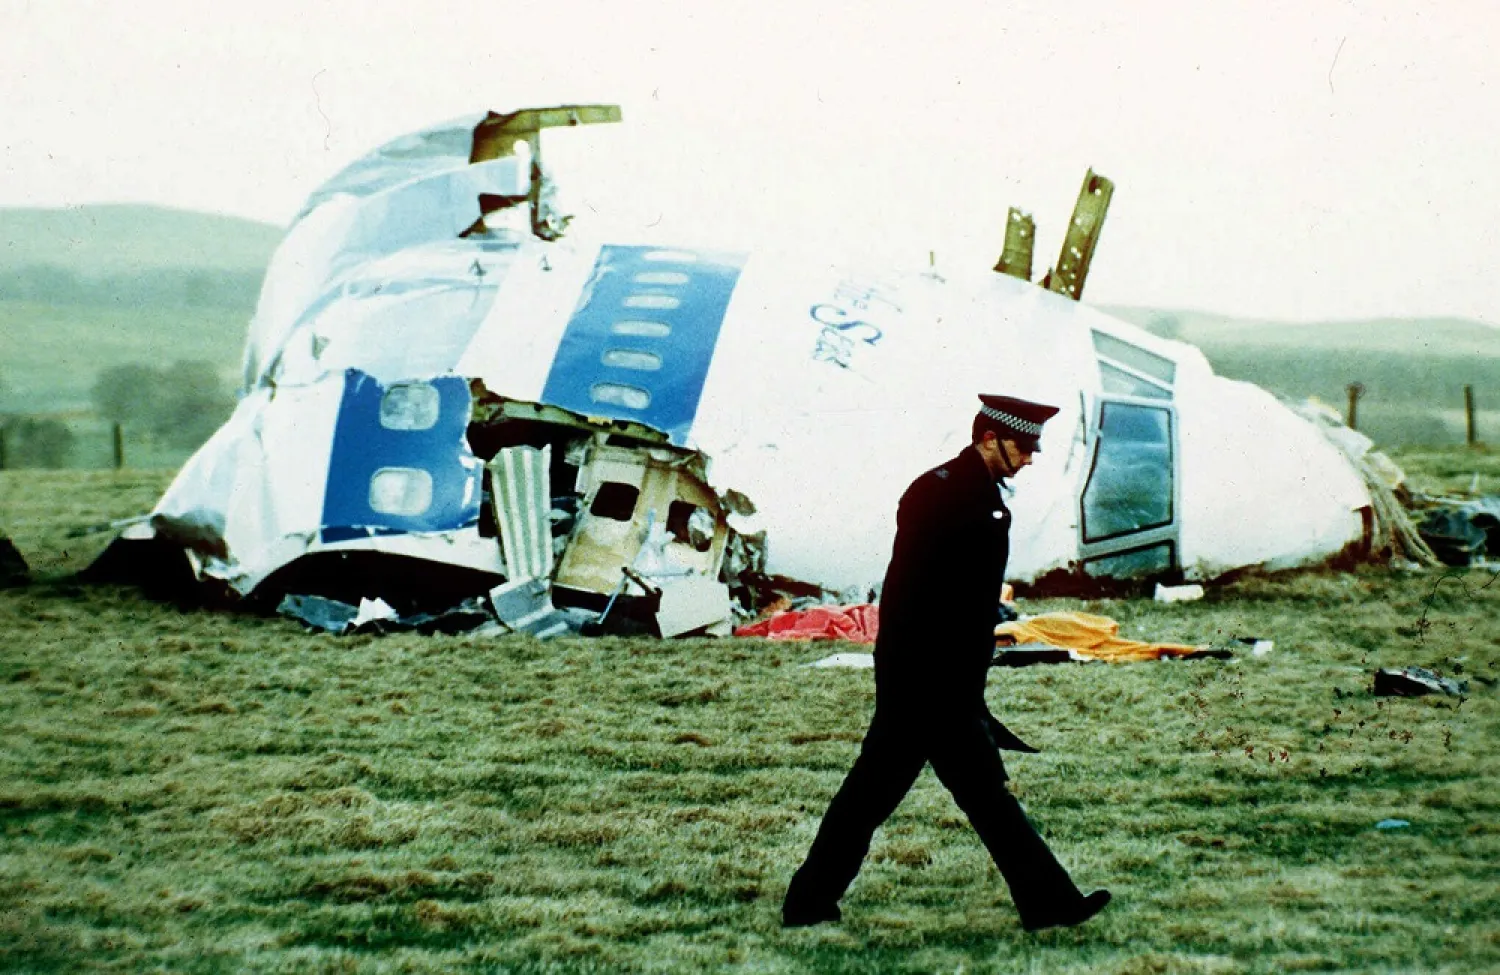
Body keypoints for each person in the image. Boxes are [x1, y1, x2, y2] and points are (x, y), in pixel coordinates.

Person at [781, 394, 1111, 932]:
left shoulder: (972, 494)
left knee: (930, 795)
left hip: (942, 679)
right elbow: (918, 596)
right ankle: (1049, 904)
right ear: (989, 438)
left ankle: (1047, 903)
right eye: (1024, 446)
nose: (1030, 457)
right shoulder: (940, 495)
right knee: (932, 796)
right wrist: (944, 684)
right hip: (927, 680)